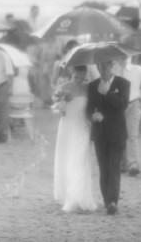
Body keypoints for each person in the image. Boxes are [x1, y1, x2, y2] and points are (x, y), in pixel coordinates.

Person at [86, 59, 130, 215]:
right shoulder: (92, 86)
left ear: (112, 66)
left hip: (117, 133)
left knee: (114, 167)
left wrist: (108, 93)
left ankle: (112, 202)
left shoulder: (123, 83)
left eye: (105, 66)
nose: (103, 70)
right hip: (100, 133)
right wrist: (93, 115)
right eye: (100, 67)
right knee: (104, 168)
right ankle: (107, 199)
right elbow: (89, 108)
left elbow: (122, 105)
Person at [53, 65, 97, 213]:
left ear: (86, 75)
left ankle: (77, 196)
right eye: (76, 77)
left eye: (82, 77)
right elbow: (58, 110)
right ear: (72, 73)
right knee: (67, 159)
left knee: (79, 159)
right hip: (67, 127)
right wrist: (61, 106)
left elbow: (92, 106)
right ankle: (69, 195)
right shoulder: (63, 87)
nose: (79, 80)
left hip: (82, 126)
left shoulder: (88, 88)